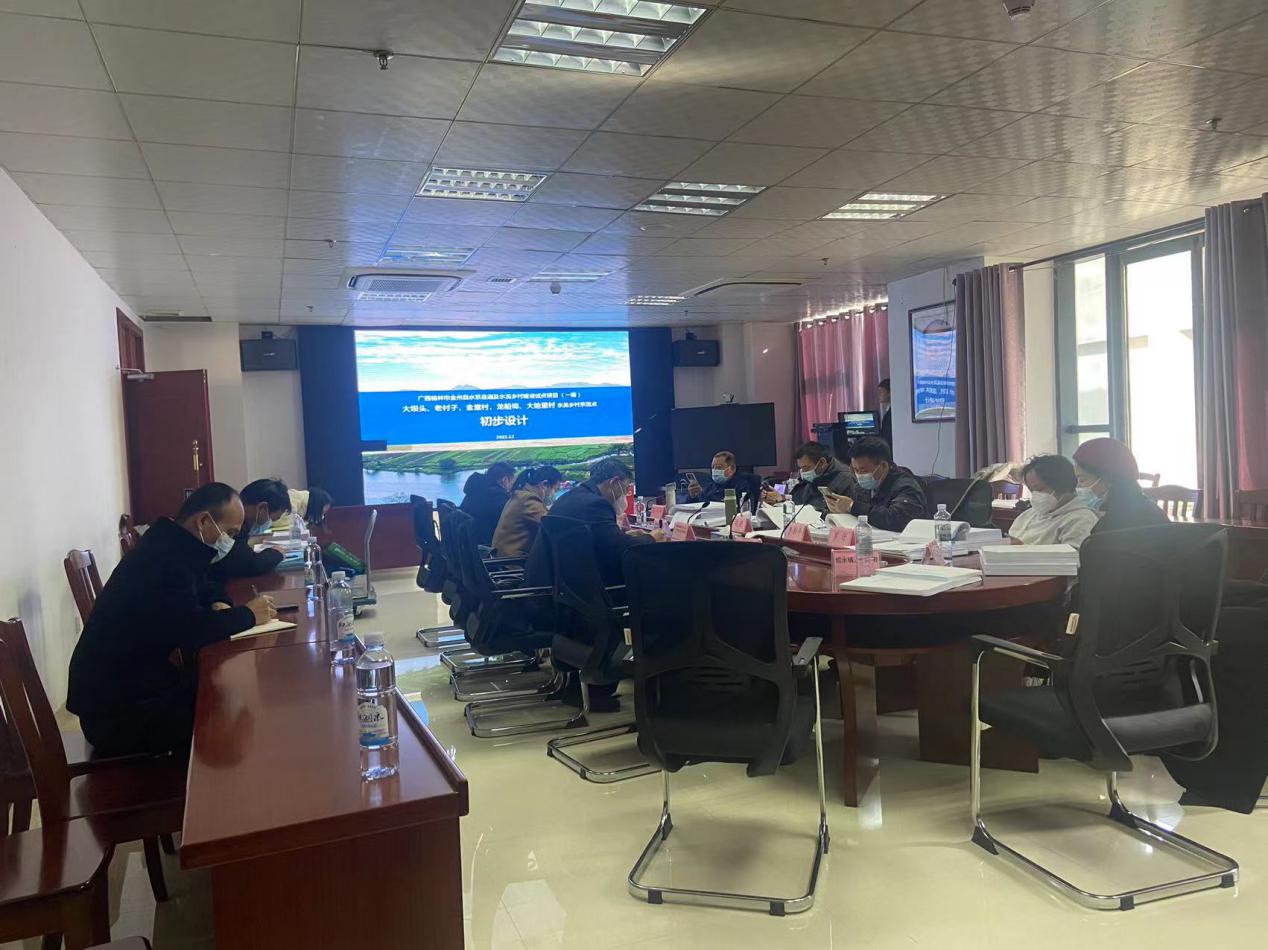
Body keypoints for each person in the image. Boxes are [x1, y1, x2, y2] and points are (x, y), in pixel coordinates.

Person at [66, 483, 278, 757]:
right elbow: (192, 630)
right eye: (229, 533)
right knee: (218, 714)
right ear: (203, 521)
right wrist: (248, 615)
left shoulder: (175, 545)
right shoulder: (163, 560)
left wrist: (221, 603)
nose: (230, 542)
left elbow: (207, 584)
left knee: (221, 694)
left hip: (135, 686)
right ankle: (191, 782)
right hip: (117, 712)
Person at [824, 436, 927, 531]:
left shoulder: (906, 486)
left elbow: (896, 519)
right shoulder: (861, 488)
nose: (859, 475)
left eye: (863, 470)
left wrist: (852, 506)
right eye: (855, 470)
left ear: (883, 466)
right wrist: (838, 509)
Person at [1073, 437, 1168, 535]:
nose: (1078, 486)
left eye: (1082, 480)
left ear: (1106, 478)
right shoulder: (1155, 512)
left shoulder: (1109, 528)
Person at [1008, 454, 1099, 548]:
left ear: (1063, 485)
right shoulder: (1028, 515)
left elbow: (1073, 555)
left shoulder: (1081, 519)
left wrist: (1023, 550)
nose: (1035, 495)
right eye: (1031, 491)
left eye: (1040, 489)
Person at [211, 477, 291, 579]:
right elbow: (246, 564)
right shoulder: (233, 522)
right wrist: (276, 554)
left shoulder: (244, 523)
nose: (269, 523)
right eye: (271, 519)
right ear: (262, 508)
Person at [762, 441, 856, 514]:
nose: (803, 472)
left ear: (822, 462)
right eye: (801, 468)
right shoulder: (814, 477)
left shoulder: (845, 479)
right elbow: (800, 500)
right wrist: (781, 498)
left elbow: (848, 513)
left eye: (806, 467)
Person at [492, 466, 563, 557]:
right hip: (513, 561)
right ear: (544, 484)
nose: (554, 494)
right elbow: (551, 527)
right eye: (555, 490)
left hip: (502, 557)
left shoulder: (521, 495)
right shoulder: (529, 499)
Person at [685, 450, 762, 514]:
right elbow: (692, 510)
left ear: (732, 468)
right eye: (713, 467)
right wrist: (693, 496)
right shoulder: (710, 487)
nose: (714, 471)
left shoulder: (744, 486)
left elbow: (742, 512)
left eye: (719, 468)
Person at [460, 462, 516, 546]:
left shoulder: (475, 489)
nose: (512, 487)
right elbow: (511, 524)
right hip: (485, 547)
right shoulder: (498, 497)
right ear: (504, 480)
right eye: (512, 482)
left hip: (467, 544)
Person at [877, 377, 893, 447]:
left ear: (889, 393)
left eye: (881, 392)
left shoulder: (891, 415)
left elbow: (887, 437)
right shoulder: (889, 412)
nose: (879, 395)